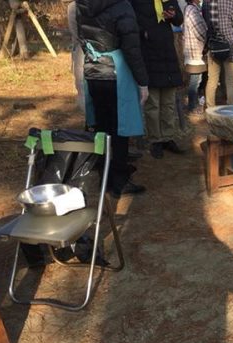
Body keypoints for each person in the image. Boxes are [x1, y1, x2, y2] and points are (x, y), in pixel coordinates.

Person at [77, 0, 149, 197]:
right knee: (120, 129)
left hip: (93, 70)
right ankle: (119, 181)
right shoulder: (122, 6)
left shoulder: (82, 5)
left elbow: (81, 38)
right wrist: (143, 82)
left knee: (102, 128)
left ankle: (105, 177)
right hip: (116, 73)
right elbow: (132, 49)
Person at [131, 0, 185, 160]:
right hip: (148, 53)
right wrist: (144, 33)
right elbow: (130, 21)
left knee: (169, 102)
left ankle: (168, 137)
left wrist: (173, 16)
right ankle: (156, 139)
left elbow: (179, 19)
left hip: (168, 53)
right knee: (153, 103)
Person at [203, 0, 233, 108]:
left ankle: (210, 108)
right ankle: (231, 109)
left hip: (213, 43)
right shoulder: (232, 2)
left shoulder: (206, 2)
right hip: (230, 43)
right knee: (231, 81)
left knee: (212, 79)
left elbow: (205, 20)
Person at [184, 0, 208, 115]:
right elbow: (201, 31)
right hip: (195, 51)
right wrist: (208, 36)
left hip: (194, 50)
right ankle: (192, 107)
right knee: (195, 82)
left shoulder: (191, 9)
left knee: (196, 81)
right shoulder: (192, 10)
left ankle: (193, 105)